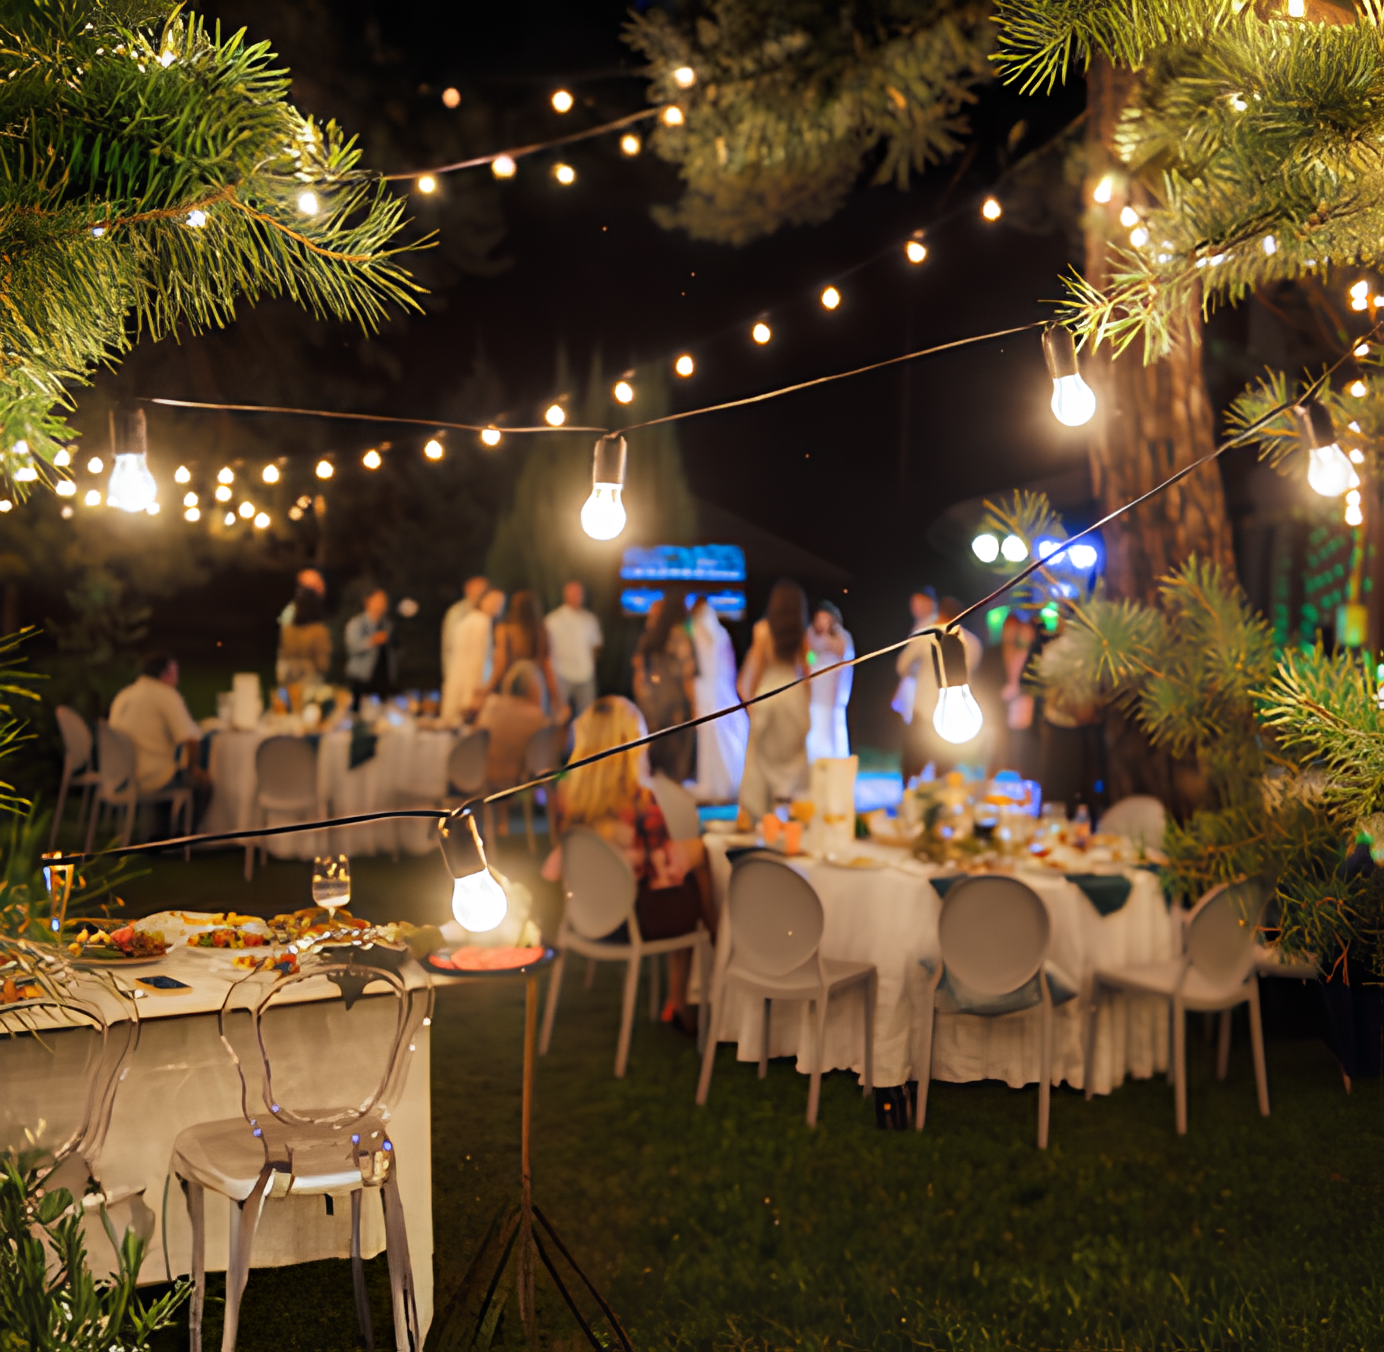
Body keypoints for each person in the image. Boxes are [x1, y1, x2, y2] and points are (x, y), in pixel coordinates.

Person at [542, 696, 715, 1032]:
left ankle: (685, 992)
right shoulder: (640, 801)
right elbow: (663, 873)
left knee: (693, 859)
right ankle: (706, 966)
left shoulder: (565, 796)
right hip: (632, 920)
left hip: (583, 914)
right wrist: (696, 851)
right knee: (699, 865)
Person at [737, 580, 811, 820]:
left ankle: (760, 815)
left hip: (769, 696)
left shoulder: (762, 631)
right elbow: (806, 671)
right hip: (793, 696)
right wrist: (806, 706)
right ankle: (791, 813)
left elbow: (757, 670)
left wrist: (753, 705)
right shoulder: (802, 634)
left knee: (760, 760)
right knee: (793, 759)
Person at [109, 653, 211, 807]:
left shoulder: (124, 696)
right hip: (149, 778)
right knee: (203, 785)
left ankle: (161, 827)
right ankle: (184, 830)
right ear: (167, 674)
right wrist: (194, 770)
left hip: (118, 777)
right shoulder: (165, 694)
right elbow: (191, 739)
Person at [475, 661, 562, 806]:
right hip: (519, 783)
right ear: (533, 688)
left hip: (483, 779)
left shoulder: (490, 706)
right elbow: (556, 749)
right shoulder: (536, 717)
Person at [633, 590, 697, 784]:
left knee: (655, 764)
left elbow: (638, 675)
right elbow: (686, 674)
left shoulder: (646, 640)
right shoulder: (678, 636)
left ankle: (656, 809)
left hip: (652, 706)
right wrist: (694, 706)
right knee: (676, 765)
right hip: (675, 706)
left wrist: (643, 703)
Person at [689, 595, 748, 802]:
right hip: (715, 689)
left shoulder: (698, 630)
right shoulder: (717, 632)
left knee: (715, 736)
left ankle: (718, 784)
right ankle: (717, 783)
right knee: (713, 737)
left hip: (711, 690)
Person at [489, 590, 564, 715]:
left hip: (511, 684)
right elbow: (547, 666)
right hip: (535, 685)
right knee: (534, 728)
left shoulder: (504, 630)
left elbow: (500, 665)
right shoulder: (541, 631)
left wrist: (488, 689)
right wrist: (555, 697)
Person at [894, 588, 938, 785]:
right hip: (932, 702)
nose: (915, 608)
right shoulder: (924, 626)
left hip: (924, 701)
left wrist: (915, 672)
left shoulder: (928, 628)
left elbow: (902, 664)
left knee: (917, 750)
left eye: (919, 603)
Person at [441, 587, 505, 723]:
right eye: (494, 602)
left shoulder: (468, 620)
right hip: (470, 688)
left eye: (500, 603)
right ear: (483, 600)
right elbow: (479, 661)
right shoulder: (482, 622)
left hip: (456, 683)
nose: (497, 607)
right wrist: (477, 693)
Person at [545, 580, 603, 718]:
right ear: (565, 595)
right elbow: (546, 651)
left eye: (579, 593)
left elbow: (596, 646)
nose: (576, 596)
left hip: (585, 676)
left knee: (586, 718)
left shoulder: (590, 619)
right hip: (561, 675)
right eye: (573, 593)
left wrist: (590, 666)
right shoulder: (553, 620)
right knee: (557, 718)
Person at [806, 600, 854, 762]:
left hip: (833, 684)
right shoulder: (810, 635)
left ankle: (834, 758)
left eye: (825, 618)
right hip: (816, 683)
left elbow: (845, 656)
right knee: (815, 720)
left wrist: (828, 643)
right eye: (819, 618)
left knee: (831, 721)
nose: (822, 622)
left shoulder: (840, 636)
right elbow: (808, 657)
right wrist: (813, 656)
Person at [344, 587, 394, 710]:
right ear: (368, 601)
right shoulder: (357, 623)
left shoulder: (387, 625)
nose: (381, 604)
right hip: (360, 677)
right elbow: (352, 647)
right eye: (378, 600)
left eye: (383, 601)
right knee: (358, 713)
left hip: (382, 678)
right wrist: (373, 640)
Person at [276, 582, 331, 687]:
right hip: (311, 680)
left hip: (289, 679)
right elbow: (322, 662)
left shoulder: (288, 630)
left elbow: (283, 653)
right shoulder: (318, 630)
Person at [440, 575, 488, 684]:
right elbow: (449, 645)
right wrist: (450, 675)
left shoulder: (485, 614)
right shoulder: (457, 613)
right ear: (468, 589)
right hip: (460, 673)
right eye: (479, 589)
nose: (482, 593)